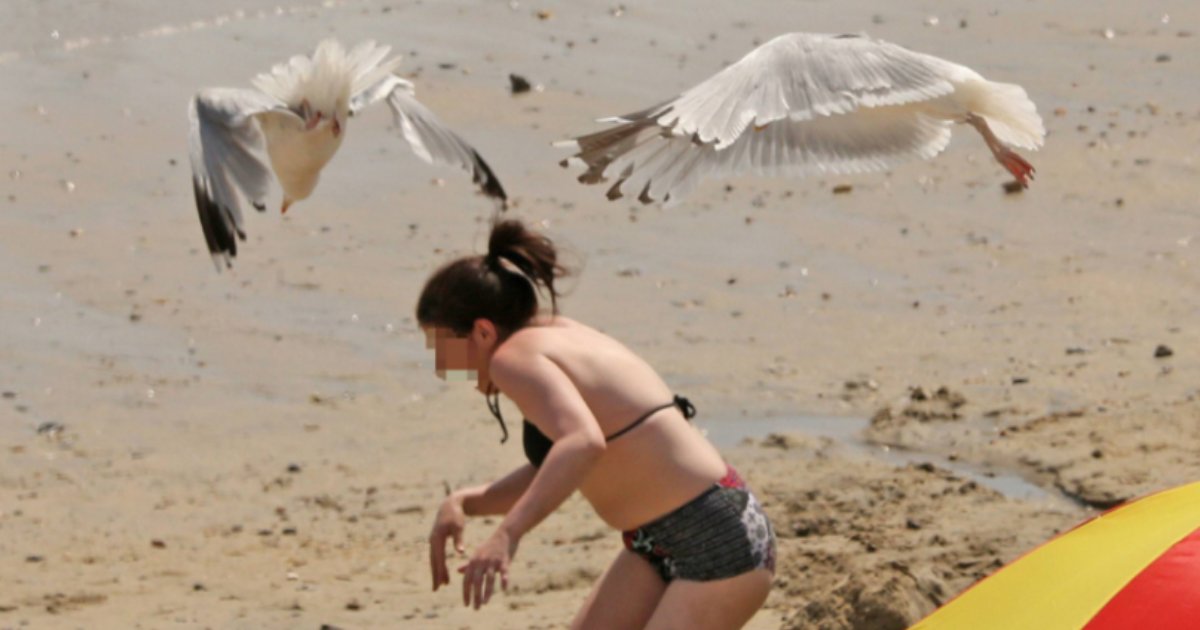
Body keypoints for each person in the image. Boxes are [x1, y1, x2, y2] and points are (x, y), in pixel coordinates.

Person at [418, 219, 776, 629]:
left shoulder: (511, 358)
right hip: (657, 541)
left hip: (715, 539)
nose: (442, 369)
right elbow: (556, 467)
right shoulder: (548, 334)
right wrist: (465, 502)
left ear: (482, 331)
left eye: (441, 350)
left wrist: (508, 535)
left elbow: (584, 443)